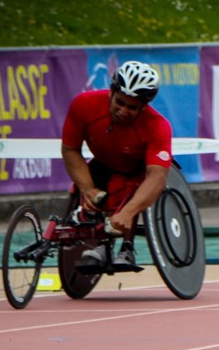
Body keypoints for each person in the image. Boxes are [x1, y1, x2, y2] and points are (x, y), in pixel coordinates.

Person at [60, 60, 172, 270]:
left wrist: (129, 212)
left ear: (144, 106)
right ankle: (100, 241)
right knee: (94, 189)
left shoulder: (157, 126)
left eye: (132, 107)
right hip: (102, 163)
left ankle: (126, 247)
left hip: (137, 170)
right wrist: (87, 189)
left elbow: (157, 177)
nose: (123, 111)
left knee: (128, 190)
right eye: (119, 102)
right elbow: (70, 149)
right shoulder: (84, 105)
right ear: (111, 91)